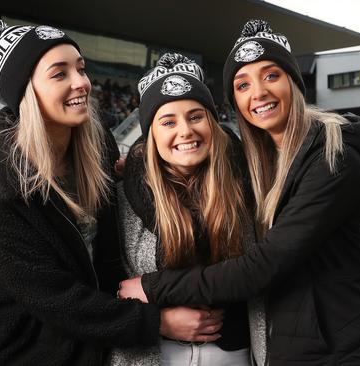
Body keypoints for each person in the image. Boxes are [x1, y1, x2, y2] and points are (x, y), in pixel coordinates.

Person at [119, 20, 360, 365]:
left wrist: (153, 287)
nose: (258, 92)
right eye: (242, 84)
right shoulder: (262, 163)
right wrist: (139, 161)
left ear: (294, 81)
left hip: (338, 350)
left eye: (271, 75)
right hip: (295, 345)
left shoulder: (333, 156)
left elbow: (261, 267)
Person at [0, 19, 172, 365]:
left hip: (95, 342)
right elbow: (50, 295)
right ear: (27, 90)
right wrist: (158, 322)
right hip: (23, 350)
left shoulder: (97, 143)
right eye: (59, 74)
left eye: (81, 69)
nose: (82, 83)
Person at [108, 53, 266, 365]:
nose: (185, 131)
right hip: (148, 354)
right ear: (151, 133)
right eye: (168, 121)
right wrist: (158, 319)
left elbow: (277, 260)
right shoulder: (120, 198)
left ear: (213, 123)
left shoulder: (248, 189)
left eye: (196, 116)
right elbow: (97, 283)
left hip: (235, 354)